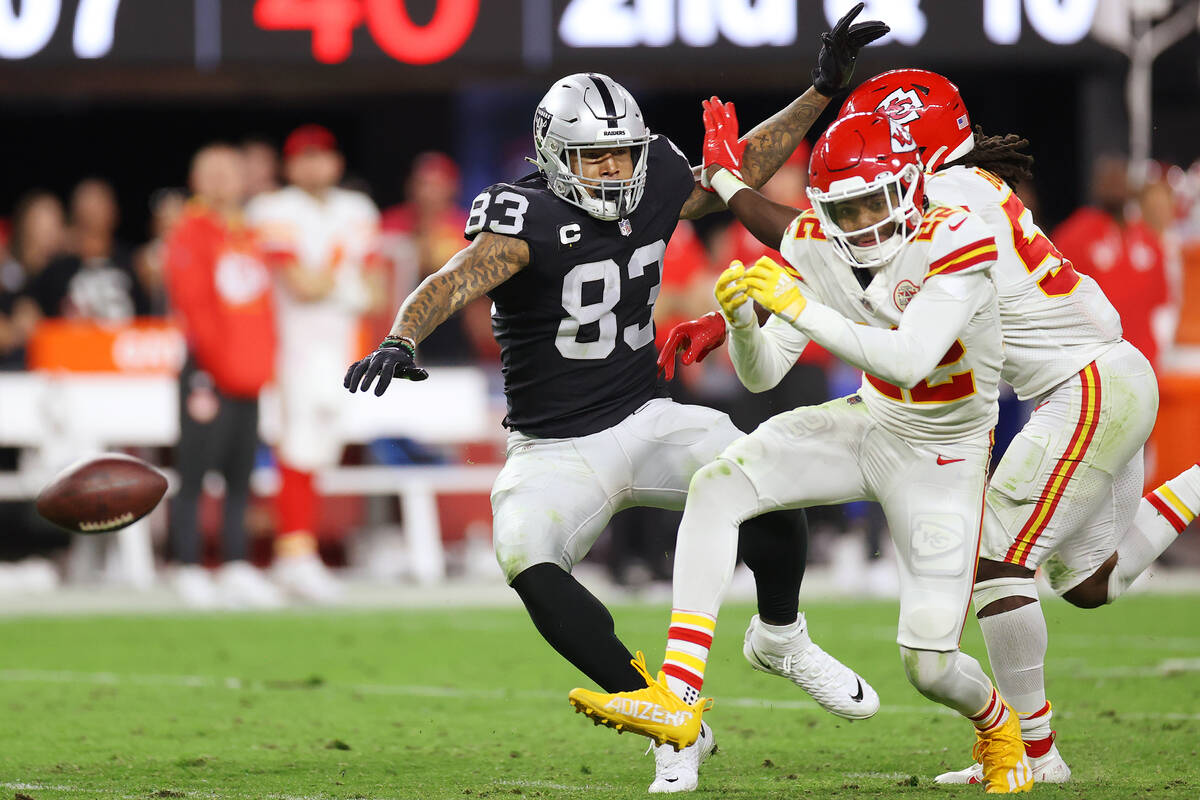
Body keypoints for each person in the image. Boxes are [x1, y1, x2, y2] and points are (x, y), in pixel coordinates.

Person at [345, 6, 889, 792]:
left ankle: (782, 637)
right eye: (593, 156)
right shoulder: (523, 214)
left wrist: (819, 93)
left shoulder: (656, 177)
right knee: (525, 557)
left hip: (648, 417)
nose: (611, 169)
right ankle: (661, 711)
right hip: (555, 446)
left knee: (765, 472)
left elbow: (736, 167)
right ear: (552, 155)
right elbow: (453, 279)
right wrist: (403, 336)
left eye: (622, 153)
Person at [568, 107, 1037, 794]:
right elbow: (762, 375)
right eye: (845, 210)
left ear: (909, 187)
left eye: (874, 201)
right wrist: (740, 322)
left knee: (930, 664)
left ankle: (998, 724)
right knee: (718, 484)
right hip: (872, 423)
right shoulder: (823, 242)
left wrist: (796, 304)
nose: (862, 223)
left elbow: (909, 359)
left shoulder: (959, 234)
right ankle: (678, 697)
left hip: (944, 453)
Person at [835, 68, 1200, 785]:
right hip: (1101, 381)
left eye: (886, 141)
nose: (875, 162)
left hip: (1087, 387)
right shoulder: (967, 187)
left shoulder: (947, 198)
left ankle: (1035, 755)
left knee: (995, 561)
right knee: (1086, 583)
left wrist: (733, 192)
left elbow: (844, 264)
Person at [247, 124, 384, 603]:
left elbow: (376, 293)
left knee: (320, 451)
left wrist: (335, 278)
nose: (314, 165)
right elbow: (302, 286)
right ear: (289, 165)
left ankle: (297, 555)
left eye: (321, 155)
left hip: (340, 348)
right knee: (295, 451)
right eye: (304, 156)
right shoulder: (272, 209)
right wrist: (345, 280)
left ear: (336, 162)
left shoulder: (357, 209)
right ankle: (295, 557)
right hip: (290, 346)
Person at [164, 144, 280, 609]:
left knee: (240, 474)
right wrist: (220, 366)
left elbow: (261, 306)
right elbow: (192, 306)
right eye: (209, 171)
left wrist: (260, 365)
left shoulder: (247, 232)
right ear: (196, 179)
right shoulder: (189, 232)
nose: (219, 180)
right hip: (207, 373)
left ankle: (235, 564)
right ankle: (187, 565)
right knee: (194, 472)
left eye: (227, 171)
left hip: (247, 373)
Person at [25, 178, 150, 322]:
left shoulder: (135, 264)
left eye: (99, 203)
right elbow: (29, 307)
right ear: (74, 214)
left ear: (114, 211)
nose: (92, 211)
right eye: (86, 205)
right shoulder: (56, 271)